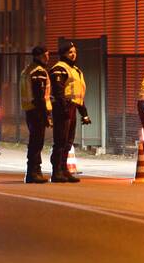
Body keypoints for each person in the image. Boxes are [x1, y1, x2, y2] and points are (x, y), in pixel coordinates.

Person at [49, 39, 90, 183]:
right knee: (60, 141)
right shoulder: (59, 69)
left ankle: (63, 169)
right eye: (70, 52)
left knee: (68, 141)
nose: (73, 54)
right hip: (63, 108)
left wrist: (84, 113)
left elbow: (78, 94)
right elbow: (59, 91)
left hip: (72, 107)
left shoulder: (76, 70)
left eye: (74, 52)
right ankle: (56, 171)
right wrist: (64, 108)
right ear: (63, 54)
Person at [19, 45, 52, 184]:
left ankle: (34, 172)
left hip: (30, 109)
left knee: (35, 141)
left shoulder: (27, 70)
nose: (47, 58)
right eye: (45, 55)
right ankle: (33, 172)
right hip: (37, 110)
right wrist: (46, 115)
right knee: (37, 143)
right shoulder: (38, 72)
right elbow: (39, 96)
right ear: (38, 56)